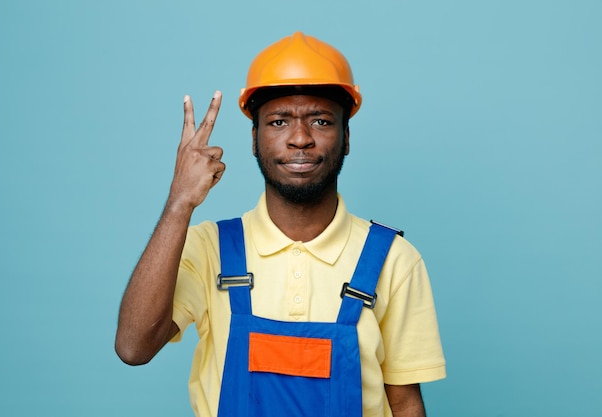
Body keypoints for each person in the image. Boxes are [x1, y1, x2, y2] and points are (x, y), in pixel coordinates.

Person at [115, 32, 446, 417]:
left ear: (347, 137)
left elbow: (405, 403)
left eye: (321, 120)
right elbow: (133, 347)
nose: (300, 139)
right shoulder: (209, 250)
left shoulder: (394, 260)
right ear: (255, 139)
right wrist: (178, 204)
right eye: (278, 121)